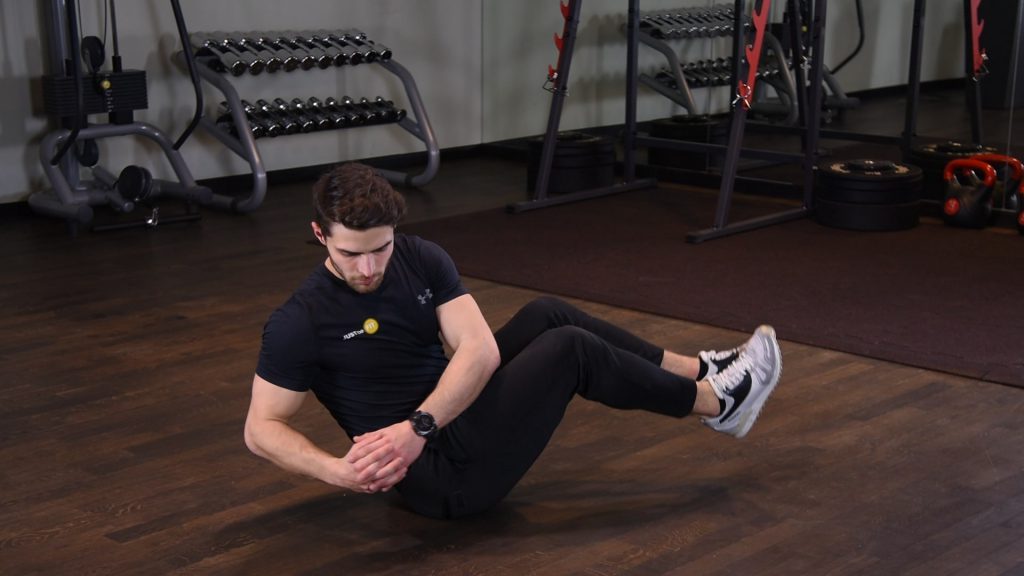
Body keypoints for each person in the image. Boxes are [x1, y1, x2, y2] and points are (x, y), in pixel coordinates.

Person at [244, 162, 782, 519]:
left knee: (546, 313)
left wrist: (418, 425)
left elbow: (479, 350)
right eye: (350, 254)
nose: (368, 268)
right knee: (570, 348)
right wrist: (339, 472)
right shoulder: (300, 320)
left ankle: (698, 370)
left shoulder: (420, 257)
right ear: (320, 235)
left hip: (440, 424)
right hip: (443, 479)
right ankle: (719, 405)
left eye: (379, 249)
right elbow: (261, 428)